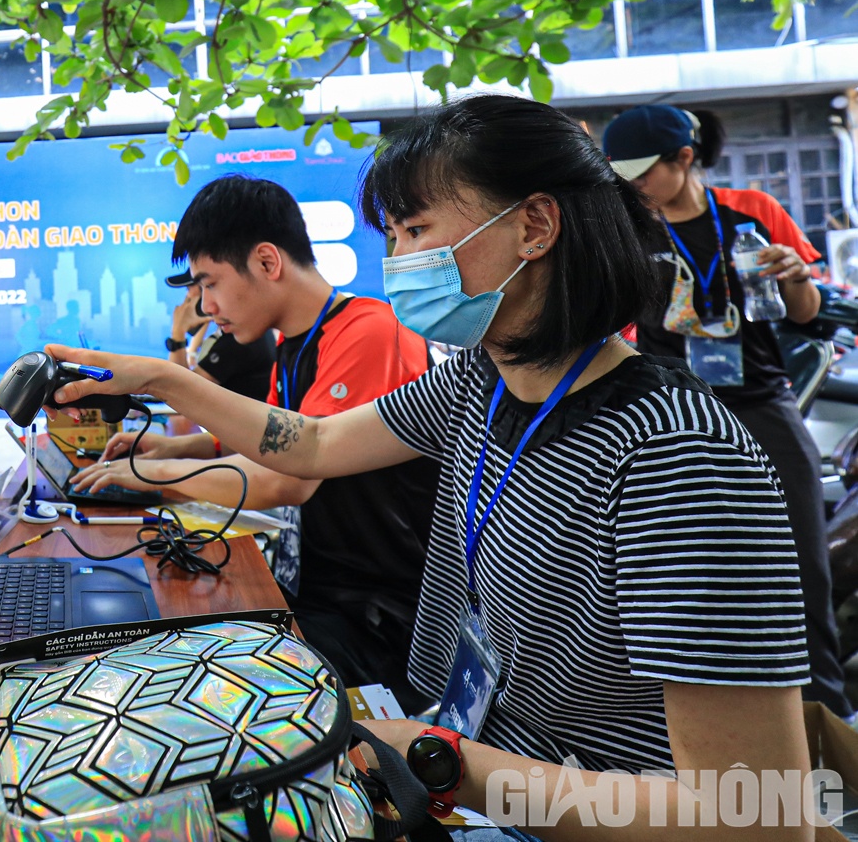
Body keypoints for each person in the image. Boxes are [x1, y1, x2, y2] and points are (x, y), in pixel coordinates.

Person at [53, 96, 813, 839]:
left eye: (415, 229)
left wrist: (444, 762)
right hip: (468, 766)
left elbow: (752, 819)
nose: (398, 263)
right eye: (390, 237)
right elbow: (313, 444)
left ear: (535, 225)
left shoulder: (674, 455)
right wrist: (161, 379)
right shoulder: (478, 384)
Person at [74, 176, 440, 710]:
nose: (204, 306)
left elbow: (286, 476)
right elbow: (252, 439)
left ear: (268, 262)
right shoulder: (294, 344)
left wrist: (149, 477)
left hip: (378, 623)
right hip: (321, 594)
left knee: (187, 690)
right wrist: (168, 449)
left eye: (209, 283)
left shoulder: (370, 331)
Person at [603, 103, 852, 719]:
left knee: (801, 567)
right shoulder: (626, 230)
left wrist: (795, 274)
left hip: (762, 403)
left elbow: (802, 312)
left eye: (643, 172)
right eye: (623, 175)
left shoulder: (751, 215)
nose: (633, 185)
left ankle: (828, 716)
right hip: (668, 413)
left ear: (684, 158)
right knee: (687, 577)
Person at [163, 275, 277, 400]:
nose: (187, 297)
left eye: (189, 289)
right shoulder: (247, 328)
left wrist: (178, 332)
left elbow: (182, 393)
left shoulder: (237, 340)